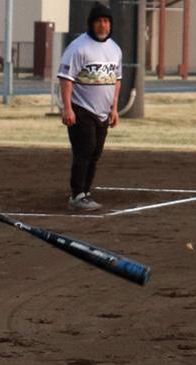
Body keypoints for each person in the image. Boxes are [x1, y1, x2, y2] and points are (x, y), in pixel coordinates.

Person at [57, 2, 122, 212]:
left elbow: (116, 80)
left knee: (95, 153)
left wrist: (114, 109)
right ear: (91, 24)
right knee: (83, 151)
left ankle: (86, 191)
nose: (103, 25)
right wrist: (67, 108)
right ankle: (76, 195)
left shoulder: (114, 49)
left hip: (103, 112)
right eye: (99, 21)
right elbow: (66, 80)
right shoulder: (78, 47)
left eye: (106, 21)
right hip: (81, 109)